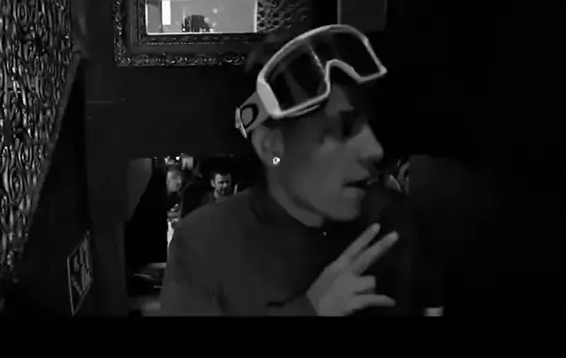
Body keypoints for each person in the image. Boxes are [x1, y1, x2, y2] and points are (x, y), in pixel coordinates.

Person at [160, 24, 419, 316]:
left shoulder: (392, 225)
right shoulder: (205, 245)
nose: (374, 150)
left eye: (367, 126)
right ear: (271, 148)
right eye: (344, 129)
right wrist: (310, 309)